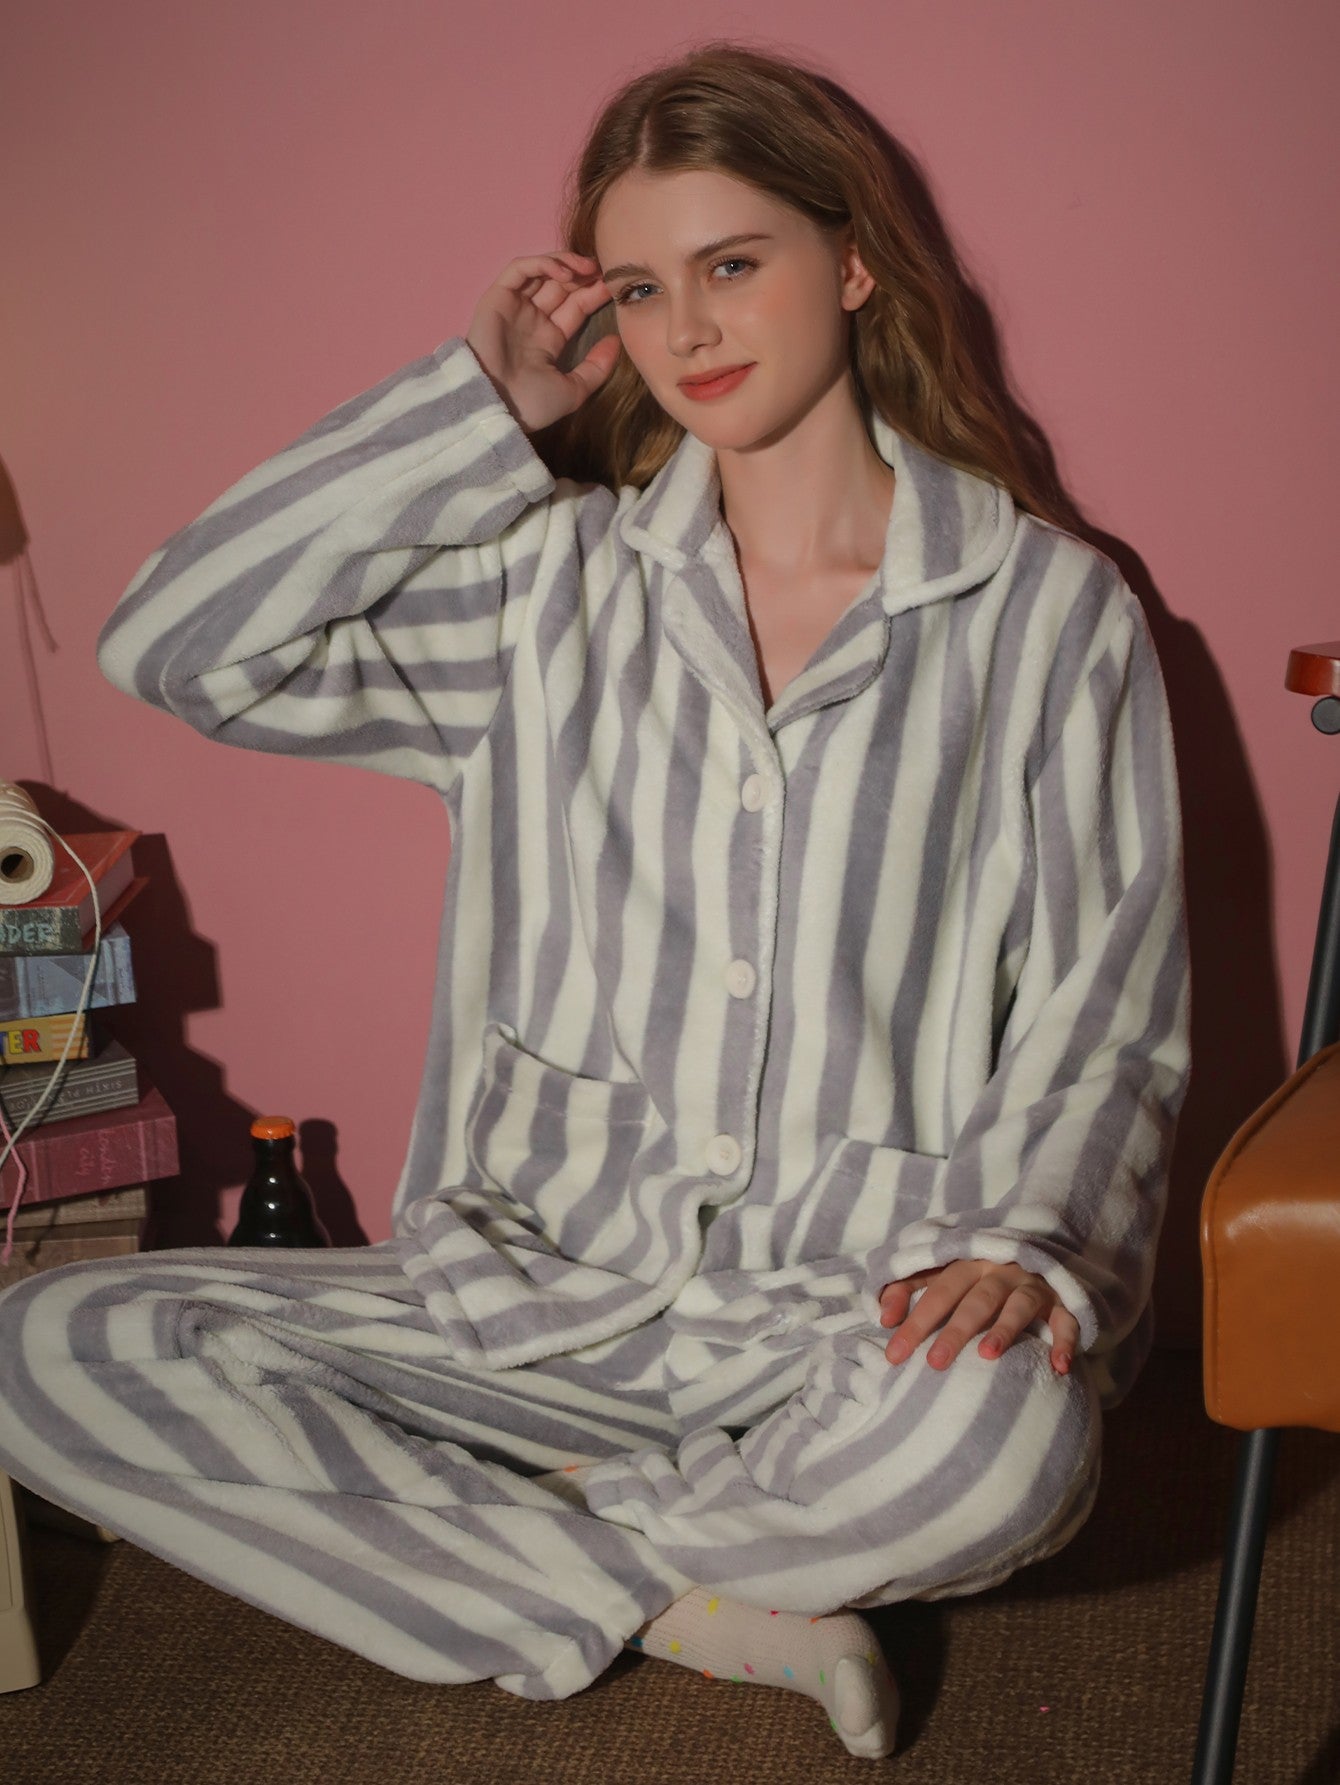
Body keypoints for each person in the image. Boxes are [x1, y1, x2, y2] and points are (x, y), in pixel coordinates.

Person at [0, 41, 1189, 1762]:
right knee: (46, 1342)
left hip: (838, 1311)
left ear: (853, 263)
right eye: (641, 288)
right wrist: (471, 408)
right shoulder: (543, 589)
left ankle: (522, 1540)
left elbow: (1108, 1008)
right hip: (521, 1295)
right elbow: (169, 642)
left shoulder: (1046, 616)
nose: (688, 328)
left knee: (1005, 1443)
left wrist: (1024, 1245)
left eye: (733, 264)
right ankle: (700, 1584)